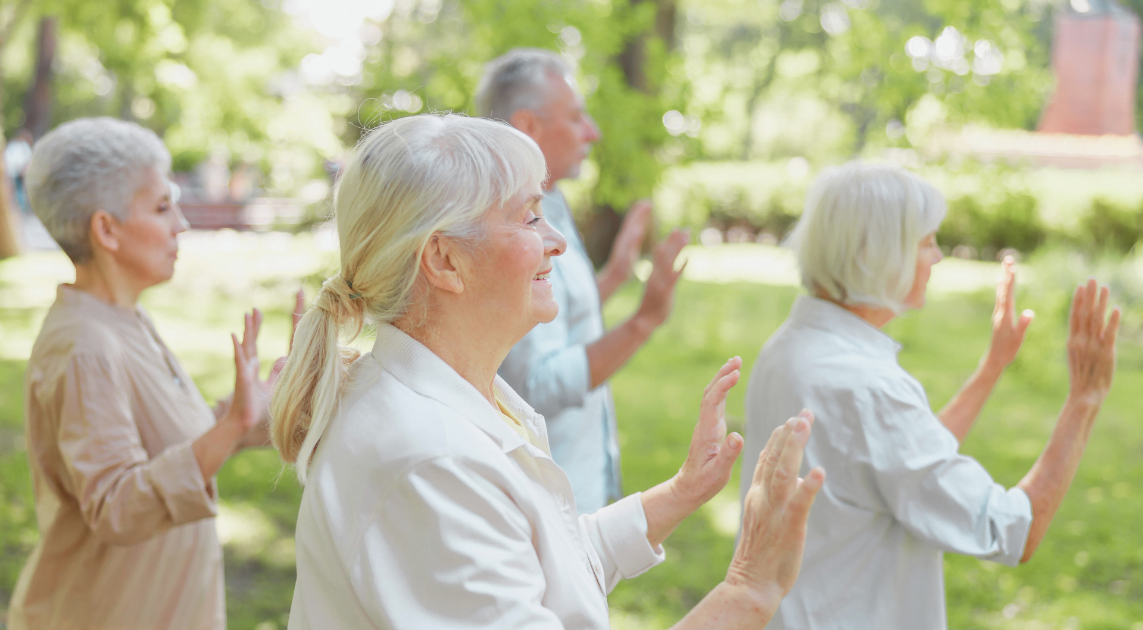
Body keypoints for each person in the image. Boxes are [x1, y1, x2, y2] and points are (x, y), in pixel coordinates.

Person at [270, 113, 826, 629]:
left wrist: (680, 493)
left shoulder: (454, 399)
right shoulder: (431, 459)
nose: (556, 242)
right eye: (530, 216)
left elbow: (538, 562)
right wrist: (748, 590)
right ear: (444, 261)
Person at [739, 161, 1120, 629]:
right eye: (926, 242)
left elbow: (897, 462)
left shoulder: (793, 346)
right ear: (876, 254)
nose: (937, 257)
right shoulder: (862, 386)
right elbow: (1011, 529)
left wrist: (991, 367)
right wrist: (1084, 400)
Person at [9, 117, 300, 630]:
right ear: (106, 230)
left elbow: (179, 447)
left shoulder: (125, 319)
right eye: (163, 207)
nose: (181, 224)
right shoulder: (85, 347)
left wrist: (264, 408)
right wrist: (230, 427)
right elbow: (116, 505)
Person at [478, 48, 689, 514]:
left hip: (578, 483)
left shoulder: (548, 203)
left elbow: (554, 309)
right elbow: (535, 384)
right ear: (529, 127)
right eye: (576, 117)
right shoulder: (505, 226)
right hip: (550, 503)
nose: (592, 131)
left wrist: (612, 277)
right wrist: (644, 322)